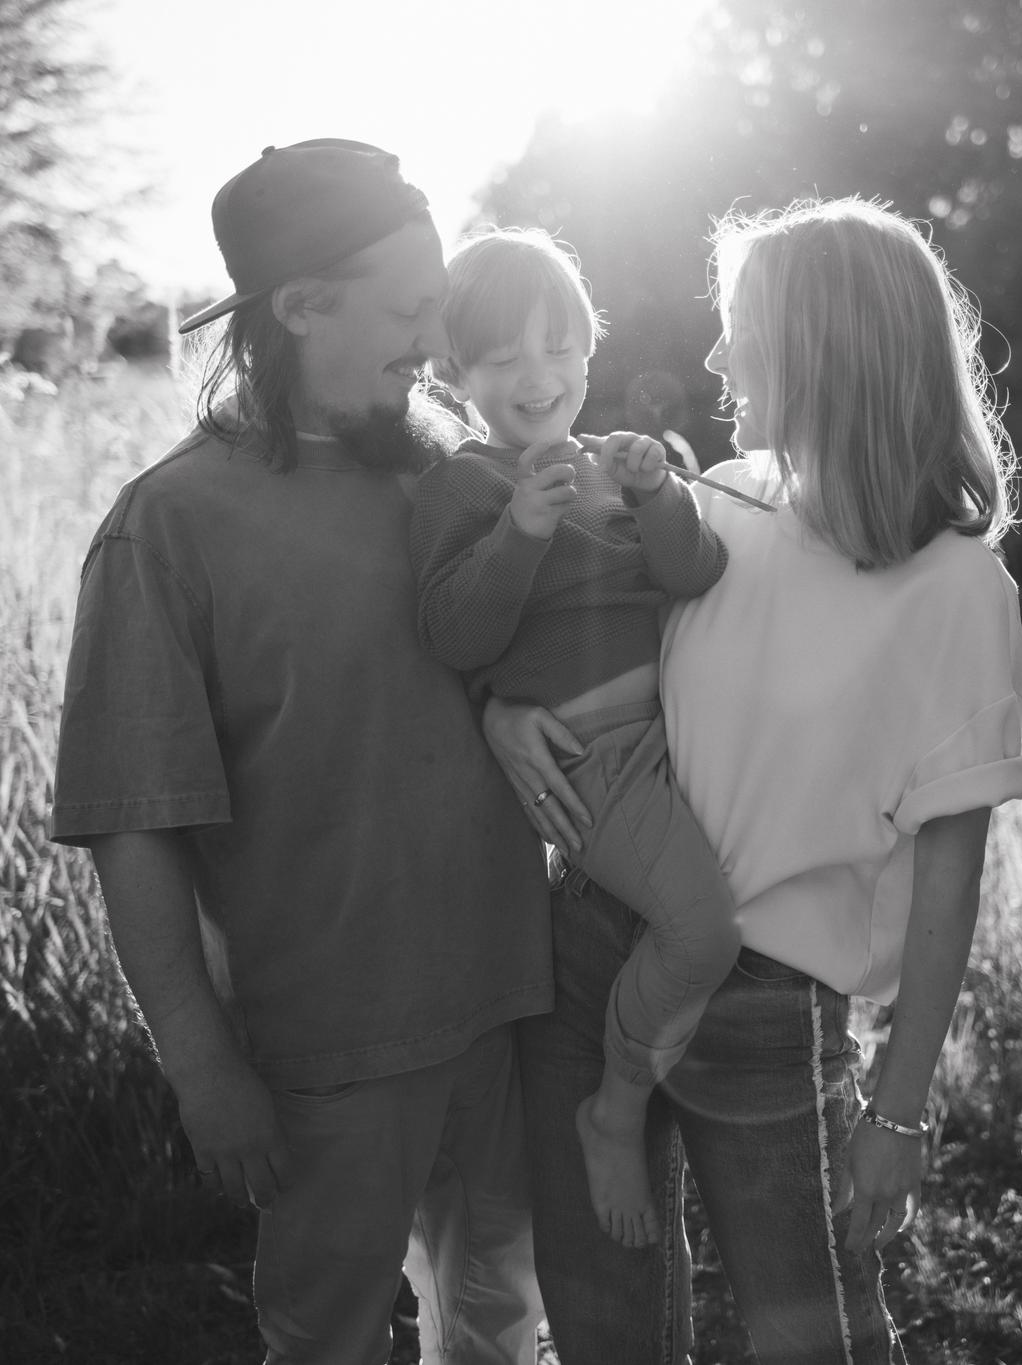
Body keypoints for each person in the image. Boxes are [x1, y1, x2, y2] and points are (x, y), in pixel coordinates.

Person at [486, 198, 1022, 1364]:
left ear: (820, 344)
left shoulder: (953, 589)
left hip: (763, 1008)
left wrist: (896, 1107)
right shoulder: (716, 503)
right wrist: (502, 716)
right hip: (590, 949)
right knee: (601, 1324)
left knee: (813, 1338)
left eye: (736, 326)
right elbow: (573, 644)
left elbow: (949, 884)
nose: (712, 355)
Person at [49, 139, 550, 1365]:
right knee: (328, 1341)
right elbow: (133, 821)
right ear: (301, 305)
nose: (434, 341)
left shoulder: (451, 476)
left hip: (509, 1006)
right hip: (328, 1047)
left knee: (501, 1323)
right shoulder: (169, 525)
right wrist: (199, 1062)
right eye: (406, 308)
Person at [409, 228, 735, 1250]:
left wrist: (660, 493)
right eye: (500, 358)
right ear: (452, 374)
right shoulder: (462, 487)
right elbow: (453, 632)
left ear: (588, 354)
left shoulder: (611, 465)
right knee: (702, 930)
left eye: (555, 348)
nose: (534, 375)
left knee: (720, 917)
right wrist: (519, 534)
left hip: (676, 739)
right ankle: (616, 1106)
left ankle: (673, 1088)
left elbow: (693, 575)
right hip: (589, 763)